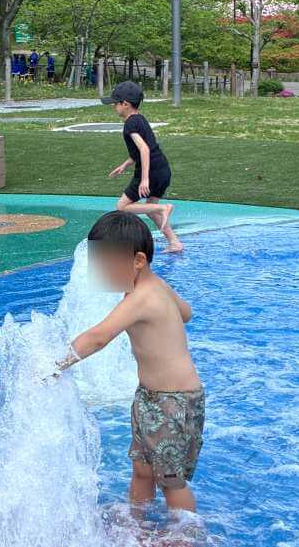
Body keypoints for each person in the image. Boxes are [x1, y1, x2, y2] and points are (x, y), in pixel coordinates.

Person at [53, 211, 204, 512]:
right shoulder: (156, 287)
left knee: (171, 481)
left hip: (173, 402)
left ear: (137, 261)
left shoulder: (141, 298)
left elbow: (99, 336)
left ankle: (188, 543)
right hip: (149, 398)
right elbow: (186, 313)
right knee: (142, 469)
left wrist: (53, 364)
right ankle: (138, 527)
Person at [102, 81, 183, 253]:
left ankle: (164, 208)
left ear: (125, 104)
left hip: (151, 172)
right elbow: (146, 148)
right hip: (162, 169)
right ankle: (174, 242)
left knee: (122, 207)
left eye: (115, 103)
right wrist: (126, 164)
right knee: (150, 210)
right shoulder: (140, 119)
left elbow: (144, 149)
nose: (113, 107)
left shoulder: (130, 124)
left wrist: (144, 180)